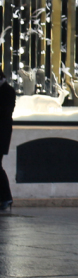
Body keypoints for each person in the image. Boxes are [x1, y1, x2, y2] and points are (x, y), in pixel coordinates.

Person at [0, 70, 14, 213]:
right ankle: (5, 197)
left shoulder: (8, 91)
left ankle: (6, 197)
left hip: (1, 135)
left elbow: (6, 112)